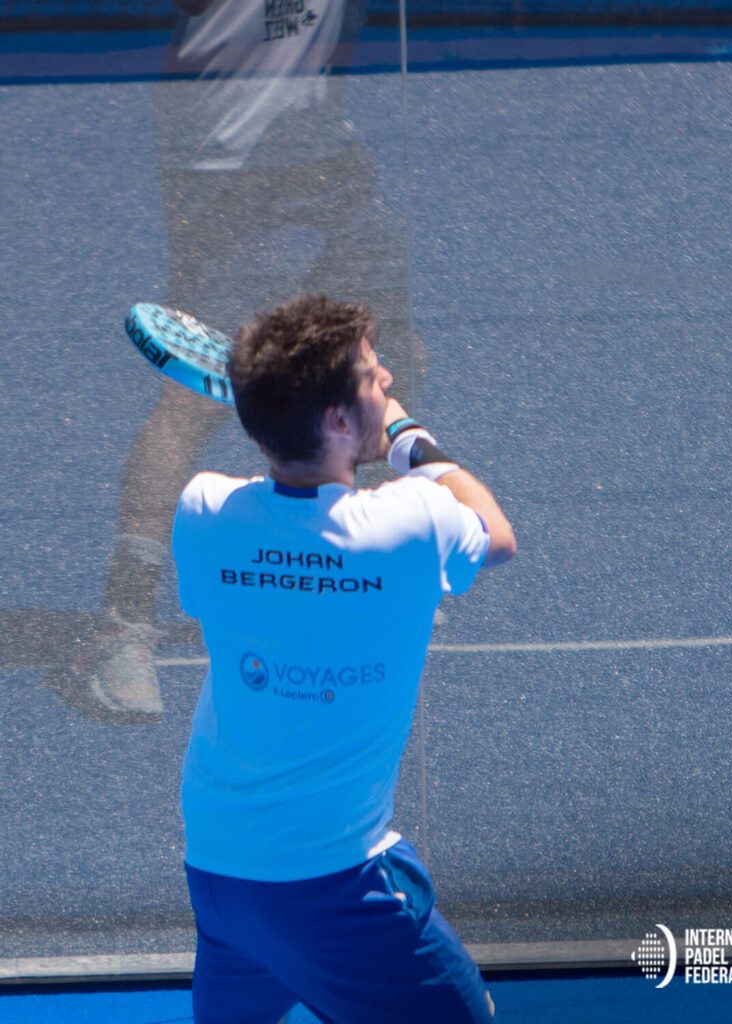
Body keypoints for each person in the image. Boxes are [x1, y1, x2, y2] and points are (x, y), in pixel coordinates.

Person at [172, 294, 515, 1023]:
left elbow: (276, 527)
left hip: (220, 869)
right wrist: (406, 437)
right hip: (335, 886)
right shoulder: (414, 523)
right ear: (334, 419)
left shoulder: (203, 511)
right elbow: (497, 534)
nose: (387, 378)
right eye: (371, 374)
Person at [79, 0, 414, 721]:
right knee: (196, 397)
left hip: (327, 154)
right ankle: (122, 627)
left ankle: (379, 567)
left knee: (389, 360)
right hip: (227, 165)